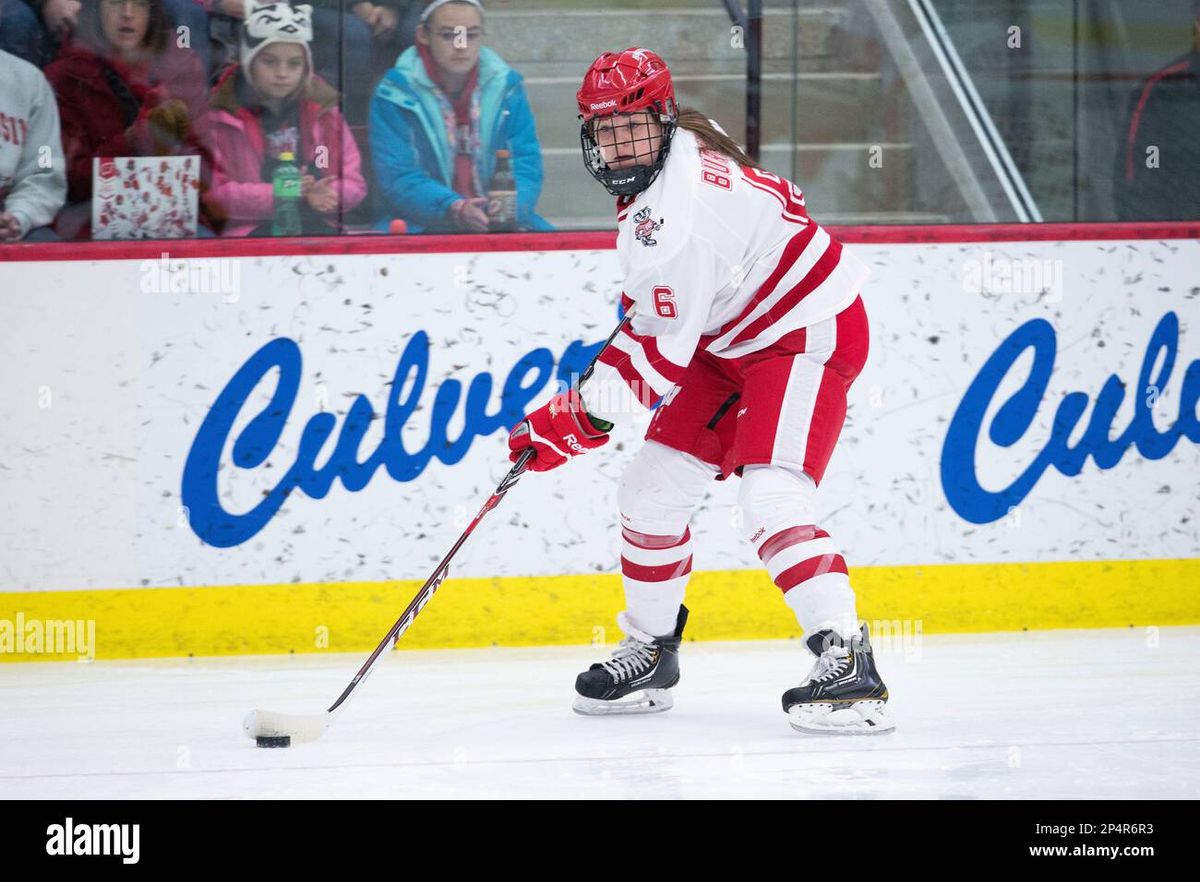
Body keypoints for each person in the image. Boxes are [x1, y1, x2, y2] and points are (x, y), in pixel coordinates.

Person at [505, 48, 893, 735]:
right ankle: (652, 652)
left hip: (807, 331)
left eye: (632, 127)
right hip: (731, 337)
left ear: (660, 117)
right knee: (649, 491)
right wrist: (576, 410)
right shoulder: (680, 145)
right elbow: (655, 326)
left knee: (770, 495)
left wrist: (567, 424)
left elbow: (649, 367)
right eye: (604, 130)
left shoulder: (681, 216)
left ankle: (848, 661)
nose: (618, 145)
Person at [369, 0, 550, 233]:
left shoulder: (508, 88)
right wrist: (453, 207)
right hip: (421, 223)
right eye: (448, 35)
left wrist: (508, 210)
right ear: (423, 35)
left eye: (471, 35)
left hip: (501, 221)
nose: (461, 45)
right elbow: (398, 176)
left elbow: (525, 164)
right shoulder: (394, 93)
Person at [44, 0, 214, 238]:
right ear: (95, 9)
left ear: (153, 12)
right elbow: (68, 182)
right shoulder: (64, 76)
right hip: (92, 220)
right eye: (115, 3)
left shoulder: (181, 65)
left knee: (207, 246)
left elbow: (206, 169)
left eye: (141, 4)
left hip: (172, 215)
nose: (128, 14)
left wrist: (168, 145)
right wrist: (130, 142)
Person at [204, 1, 366, 236]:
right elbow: (213, 194)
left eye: (294, 64)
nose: (282, 73)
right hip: (250, 234)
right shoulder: (219, 115)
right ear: (249, 62)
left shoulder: (325, 111)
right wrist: (283, 192)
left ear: (306, 66)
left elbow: (354, 183)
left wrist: (328, 194)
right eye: (269, 62)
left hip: (317, 224)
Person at [1114, 0, 1200, 220]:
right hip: (1181, 243)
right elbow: (1135, 183)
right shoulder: (1162, 89)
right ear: (1198, 23)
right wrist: (1161, 247)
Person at [0, 48, 67, 240]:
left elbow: (44, 169)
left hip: (7, 221)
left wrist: (18, 216)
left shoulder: (30, 81)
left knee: (46, 246)